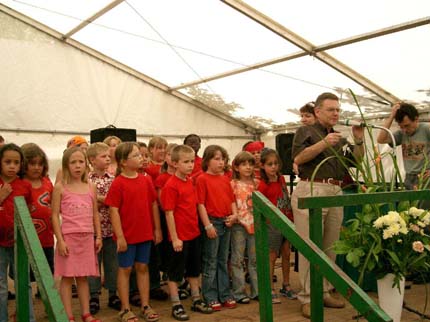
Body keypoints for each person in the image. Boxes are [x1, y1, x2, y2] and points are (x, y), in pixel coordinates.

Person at [291, 92, 364, 318]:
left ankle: (322, 291)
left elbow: (357, 161)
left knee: (330, 247)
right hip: (311, 188)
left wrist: (359, 139)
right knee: (309, 247)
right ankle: (307, 297)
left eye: (338, 110)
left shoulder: (339, 137)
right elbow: (297, 158)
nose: (336, 113)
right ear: (318, 111)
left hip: (335, 190)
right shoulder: (305, 131)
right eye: (331, 109)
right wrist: (323, 143)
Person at [105, 142, 162, 322]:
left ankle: (145, 305)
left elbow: (153, 204)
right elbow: (113, 210)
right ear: (123, 162)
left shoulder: (146, 180)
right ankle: (125, 308)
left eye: (141, 155)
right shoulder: (118, 183)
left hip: (144, 234)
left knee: (143, 267)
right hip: (127, 236)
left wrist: (157, 228)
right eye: (136, 155)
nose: (141, 158)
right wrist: (120, 236)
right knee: (126, 269)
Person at [161, 145, 213, 320]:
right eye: (186, 162)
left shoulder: (190, 181)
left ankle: (196, 299)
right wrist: (175, 238)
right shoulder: (170, 186)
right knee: (175, 271)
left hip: (193, 234)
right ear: (175, 163)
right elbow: (168, 213)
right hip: (179, 237)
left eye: (192, 161)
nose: (190, 165)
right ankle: (176, 304)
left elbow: (196, 206)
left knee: (193, 269)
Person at [51, 146, 102, 322]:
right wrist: (60, 240)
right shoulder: (60, 188)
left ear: (86, 165)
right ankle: (68, 315)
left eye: (81, 162)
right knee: (66, 279)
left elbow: (95, 213)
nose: (77, 166)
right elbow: (54, 215)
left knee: (82, 278)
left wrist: (99, 236)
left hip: (87, 238)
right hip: (68, 238)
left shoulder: (91, 187)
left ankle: (86, 313)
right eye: (73, 162)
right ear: (66, 166)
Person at [196, 145, 238, 311]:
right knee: (211, 261)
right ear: (207, 161)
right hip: (212, 222)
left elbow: (231, 200)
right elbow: (200, 204)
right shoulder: (202, 179)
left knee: (222, 260)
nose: (221, 162)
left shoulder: (225, 179)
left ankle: (225, 293)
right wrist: (207, 225)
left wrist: (234, 216)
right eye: (217, 159)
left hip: (226, 221)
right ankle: (210, 295)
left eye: (223, 159)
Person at [0, 143, 34, 322]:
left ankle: (27, 318)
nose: (12, 166)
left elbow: (28, 212)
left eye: (16, 162)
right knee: (1, 285)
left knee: (24, 282)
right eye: (7, 162)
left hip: (19, 242)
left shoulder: (24, 186)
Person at [258, 149, 297, 304]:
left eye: (275, 164)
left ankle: (286, 285)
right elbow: (260, 206)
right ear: (262, 166)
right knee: (272, 257)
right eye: (269, 164)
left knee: (287, 254)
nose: (273, 167)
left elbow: (285, 197)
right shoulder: (262, 185)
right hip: (272, 225)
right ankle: (269, 288)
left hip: (286, 221)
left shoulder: (281, 179)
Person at [86, 143, 120, 313]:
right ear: (92, 160)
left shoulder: (113, 179)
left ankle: (113, 294)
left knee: (112, 263)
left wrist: (99, 199)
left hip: (112, 229)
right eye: (103, 156)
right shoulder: (86, 180)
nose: (108, 158)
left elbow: (115, 201)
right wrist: (103, 199)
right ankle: (94, 296)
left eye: (108, 156)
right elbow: (87, 201)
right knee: (93, 264)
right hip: (92, 230)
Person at [377, 102, 430, 198]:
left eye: (407, 125)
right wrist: (392, 116)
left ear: (416, 119)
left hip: (425, 178)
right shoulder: (401, 134)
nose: (404, 130)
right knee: (409, 210)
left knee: (424, 211)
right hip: (409, 178)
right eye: (401, 127)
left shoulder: (426, 129)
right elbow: (381, 139)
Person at [21, 143, 55, 292]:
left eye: (40, 164)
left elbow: (53, 204)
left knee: (47, 269)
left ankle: (44, 293)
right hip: (26, 238)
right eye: (32, 164)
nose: (36, 167)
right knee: (25, 272)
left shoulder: (47, 183)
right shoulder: (20, 184)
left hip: (46, 236)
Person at [230, 151, 259, 304]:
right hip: (239, 226)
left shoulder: (257, 184)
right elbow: (230, 202)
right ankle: (239, 292)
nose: (248, 167)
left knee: (254, 260)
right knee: (237, 259)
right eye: (244, 164)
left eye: (250, 164)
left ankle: (257, 290)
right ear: (236, 167)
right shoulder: (233, 184)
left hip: (255, 225)